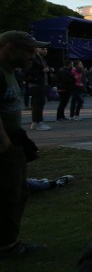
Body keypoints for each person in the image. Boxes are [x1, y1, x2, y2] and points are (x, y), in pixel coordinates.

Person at [0, 31, 49, 258]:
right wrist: (6, 145)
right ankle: (7, 247)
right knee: (9, 193)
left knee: (17, 192)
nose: (33, 54)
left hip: (13, 140)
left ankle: (9, 241)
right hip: (4, 145)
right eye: (29, 50)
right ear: (10, 48)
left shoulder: (9, 72)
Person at [25, 46, 52, 131]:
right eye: (42, 48)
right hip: (35, 84)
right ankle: (36, 122)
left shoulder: (43, 60)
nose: (44, 50)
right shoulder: (33, 59)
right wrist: (42, 71)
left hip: (42, 83)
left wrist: (48, 70)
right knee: (37, 103)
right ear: (36, 49)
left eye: (46, 49)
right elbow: (27, 71)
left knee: (41, 102)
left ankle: (39, 121)